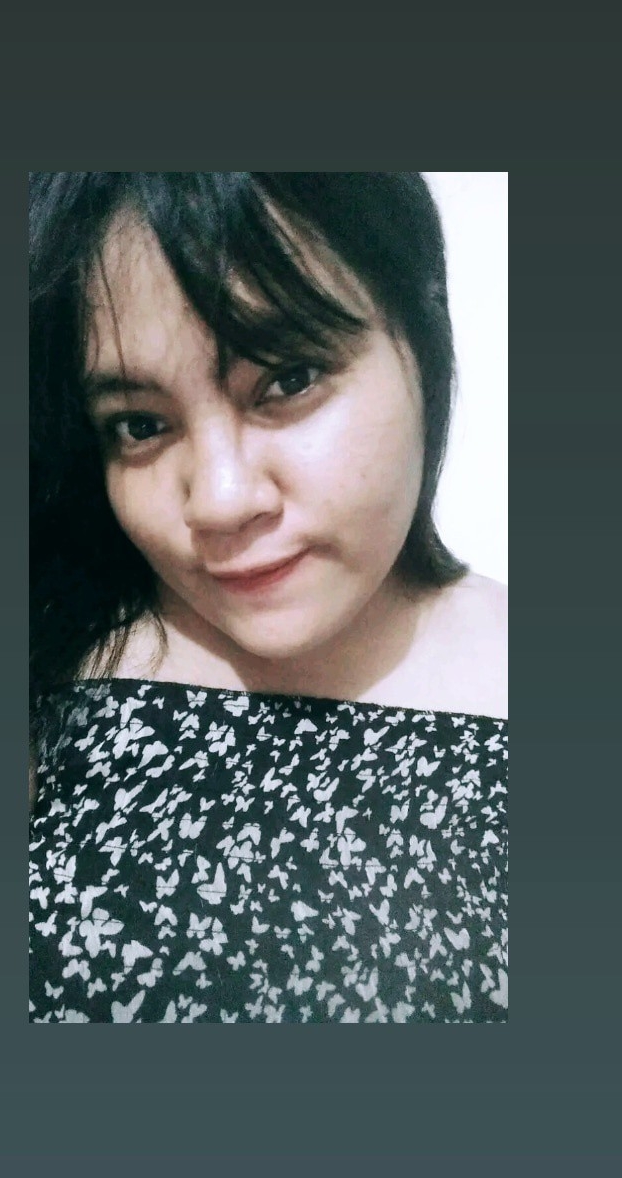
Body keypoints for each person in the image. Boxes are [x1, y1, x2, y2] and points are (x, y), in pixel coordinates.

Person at [29, 172, 507, 1023]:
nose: (220, 501)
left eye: (290, 378)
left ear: (421, 332)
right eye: (141, 424)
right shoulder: (50, 656)